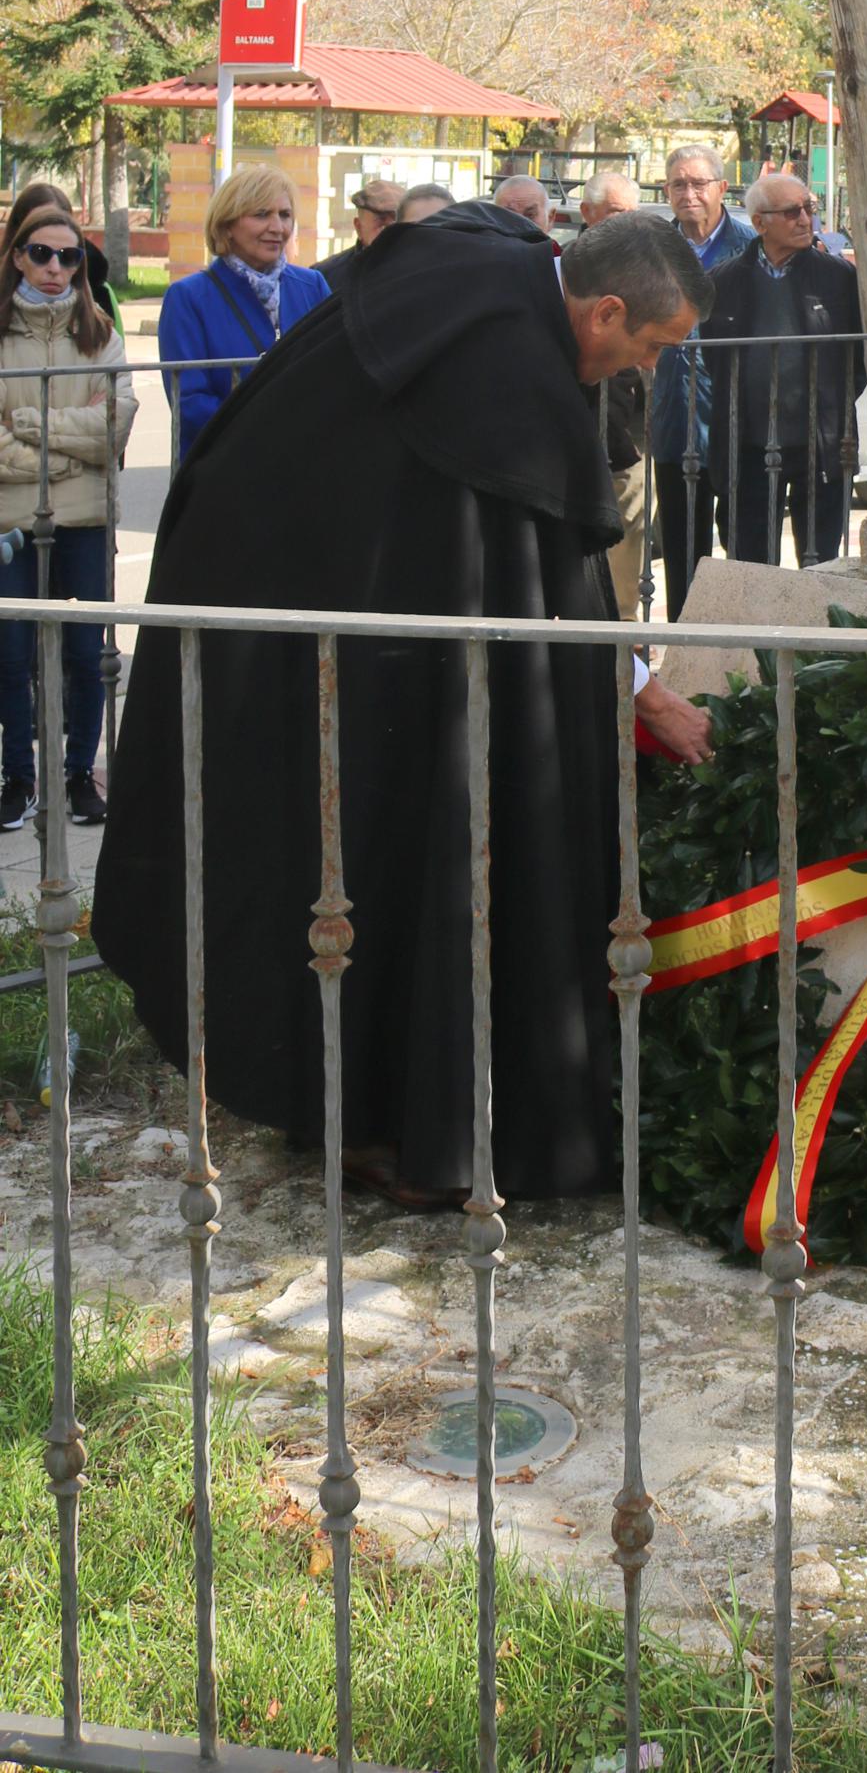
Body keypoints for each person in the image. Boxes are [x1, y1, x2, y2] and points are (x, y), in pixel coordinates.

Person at [93, 205, 716, 1206]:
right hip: (330, 639)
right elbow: (556, 587)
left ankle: (361, 1108)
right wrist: (641, 689)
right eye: (649, 345)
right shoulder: (507, 367)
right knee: (377, 865)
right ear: (603, 311)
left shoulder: (491, 268)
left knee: (359, 866)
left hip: (310, 601)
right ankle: (396, 1122)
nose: (642, 369)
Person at [0, 199, 137, 832]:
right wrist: (63, 453)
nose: (55, 267)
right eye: (41, 253)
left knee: (88, 657)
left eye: (69, 256)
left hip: (86, 523)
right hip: (12, 523)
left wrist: (29, 425)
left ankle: (81, 773)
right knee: (10, 653)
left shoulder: (100, 332)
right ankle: (17, 778)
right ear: (17, 257)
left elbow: (115, 424)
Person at [706, 170, 864, 568]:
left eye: (808, 209)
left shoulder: (839, 278)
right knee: (751, 563)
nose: (805, 219)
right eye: (792, 212)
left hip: (820, 446)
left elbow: (857, 361)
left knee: (821, 562)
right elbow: (716, 361)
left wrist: (830, 407)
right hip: (749, 446)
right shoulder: (724, 281)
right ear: (759, 223)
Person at [157, 167, 329, 459]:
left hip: (305, 464)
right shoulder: (188, 298)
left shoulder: (312, 285)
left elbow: (334, 374)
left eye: (285, 215)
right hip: (225, 467)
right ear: (226, 225)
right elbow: (190, 401)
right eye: (262, 214)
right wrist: (268, 431)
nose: (278, 227)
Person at [651, 145, 756, 598]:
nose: (688, 193)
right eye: (678, 183)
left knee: (746, 555)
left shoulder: (752, 248)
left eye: (698, 183)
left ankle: (749, 659)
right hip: (674, 423)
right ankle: (681, 658)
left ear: (722, 189)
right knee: (682, 554)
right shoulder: (650, 250)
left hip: (740, 427)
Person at [575, 171, 648, 615]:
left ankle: (627, 669)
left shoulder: (647, 268)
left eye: (632, 216)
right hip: (573, 443)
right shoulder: (564, 266)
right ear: (588, 214)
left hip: (627, 447)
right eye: (617, 214)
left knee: (625, 584)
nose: (626, 226)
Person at [8, 182, 118, 326]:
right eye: (37, 222)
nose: (54, 268)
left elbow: (113, 341)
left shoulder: (97, 295)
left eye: (56, 220)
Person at [317, 178, 405, 298]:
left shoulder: (422, 270)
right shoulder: (326, 277)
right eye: (381, 220)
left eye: (397, 221)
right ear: (359, 227)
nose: (390, 230)